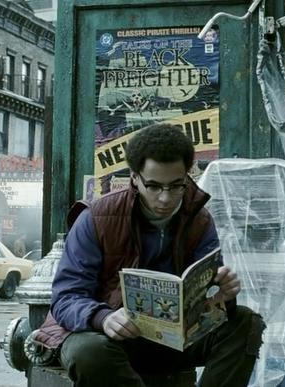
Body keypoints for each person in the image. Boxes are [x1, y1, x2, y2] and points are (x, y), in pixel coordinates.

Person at [32, 123, 265, 386]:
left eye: (176, 186)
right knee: (89, 352)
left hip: (170, 340)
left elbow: (207, 304)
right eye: (153, 186)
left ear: (187, 176)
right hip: (108, 336)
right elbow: (65, 298)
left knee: (246, 322)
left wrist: (222, 298)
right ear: (134, 176)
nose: (165, 198)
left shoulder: (200, 221)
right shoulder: (97, 218)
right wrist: (103, 317)